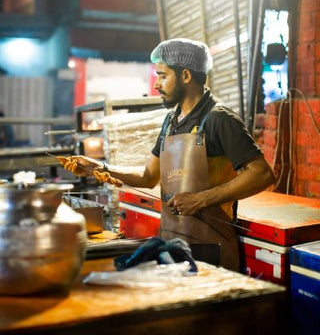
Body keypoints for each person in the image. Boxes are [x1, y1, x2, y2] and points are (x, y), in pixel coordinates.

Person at [61, 38, 275, 271]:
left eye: (163, 76)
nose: (156, 84)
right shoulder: (170, 121)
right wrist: (97, 167)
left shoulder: (219, 119)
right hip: (173, 242)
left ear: (185, 76)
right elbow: (148, 177)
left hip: (212, 249)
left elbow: (262, 174)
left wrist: (200, 199)